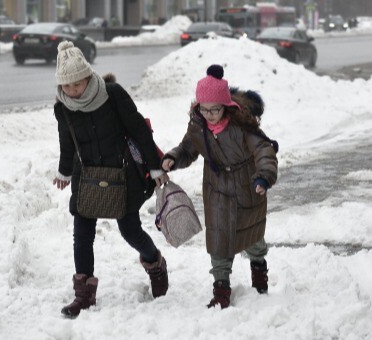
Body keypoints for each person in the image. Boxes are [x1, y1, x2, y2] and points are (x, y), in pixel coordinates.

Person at [52, 41, 169, 319]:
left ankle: (155, 263)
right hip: (87, 176)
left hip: (122, 174)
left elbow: (139, 129)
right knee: (82, 234)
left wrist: (154, 167)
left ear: (87, 76)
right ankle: (83, 295)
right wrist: (64, 171)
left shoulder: (112, 94)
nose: (72, 91)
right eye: (66, 87)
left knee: (129, 230)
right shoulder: (64, 107)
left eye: (76, 85)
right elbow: (67, 141)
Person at [161, 65, 278, 309]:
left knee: (251, 234)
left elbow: (263, 150)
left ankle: (259, 269)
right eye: (204, 109)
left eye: (214, 109)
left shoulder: (241, 125)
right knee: (219, 237)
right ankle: (221, 289)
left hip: (247, 184)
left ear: (225, 106)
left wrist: (264, 176)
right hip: (216, 188)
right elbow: (187, 149)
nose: (210, 114)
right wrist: (173, 157)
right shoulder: (198, 126)